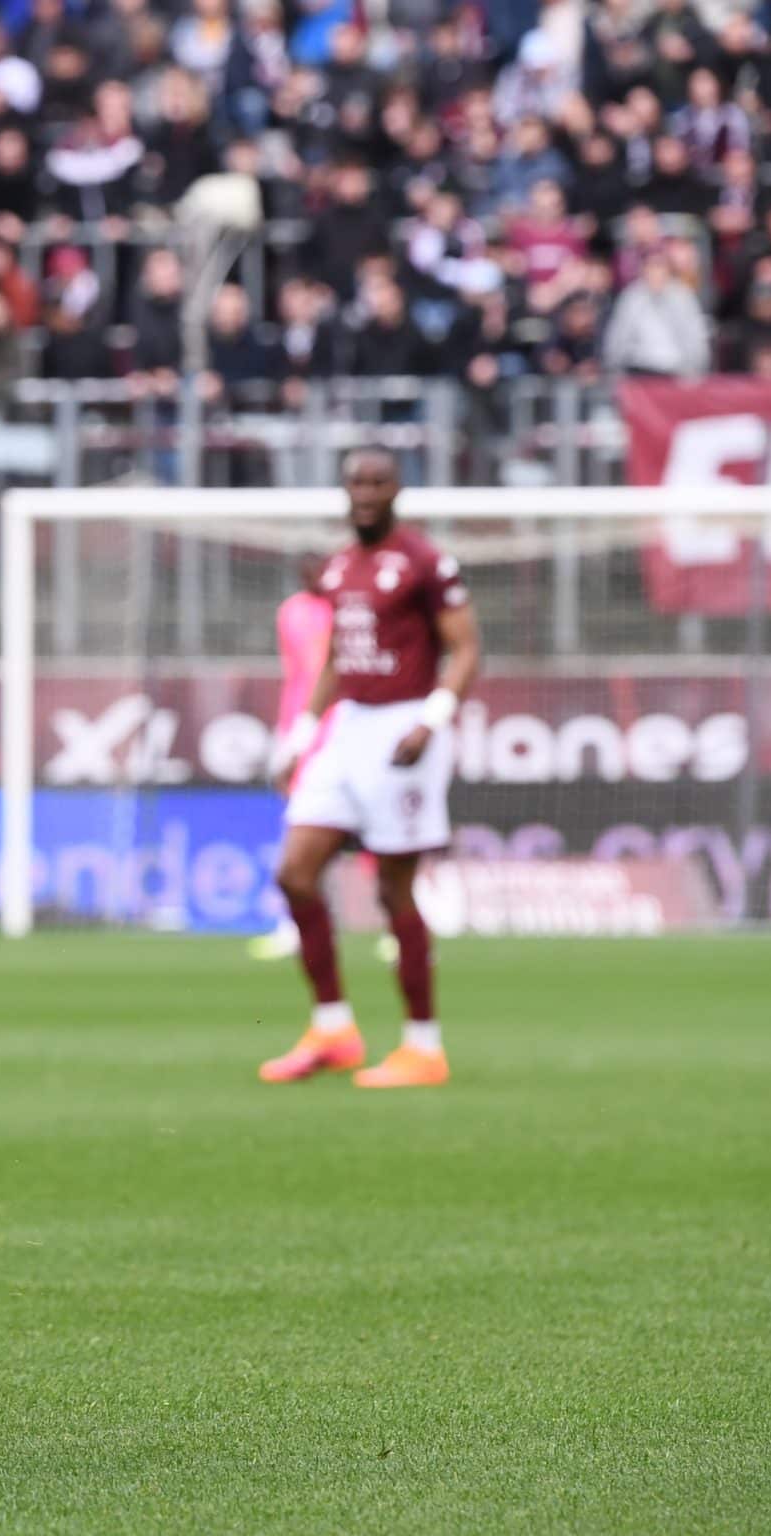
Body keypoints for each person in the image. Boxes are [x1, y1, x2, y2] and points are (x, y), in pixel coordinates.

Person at [261, 450, 483, 1091]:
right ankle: (333, 1028)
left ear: (396, 490)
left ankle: (423, 1045)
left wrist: (432, 720)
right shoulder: (338, 567)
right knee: (295, 874)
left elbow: (466, 648)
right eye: (356, 481)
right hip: (349, 726)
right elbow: (336, 660)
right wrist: (301, 737)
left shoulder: (425, 561)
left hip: (405, 727)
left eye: (377, 482)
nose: (365, 492)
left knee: (393, 890)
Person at [245, 557, 335, 962]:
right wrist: (289, 734)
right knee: (299, 827)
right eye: (308, 567)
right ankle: (292, 925)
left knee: (375, 830)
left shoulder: (351, 609)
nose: (313, 574)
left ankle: (400, 927)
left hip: (346, 728)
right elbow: (297, 675)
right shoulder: (291, 612)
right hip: (302, 728)